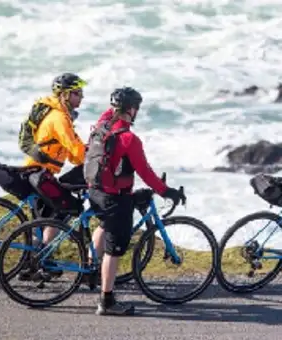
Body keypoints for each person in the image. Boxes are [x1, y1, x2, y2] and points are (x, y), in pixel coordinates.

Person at [81, 87, 187, 316]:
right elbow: (146, 173)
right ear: (131, 109)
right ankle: (106, 302)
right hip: (114, 198)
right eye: (136, 108)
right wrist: (167, 191)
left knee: (103, 224)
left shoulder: (102, 125)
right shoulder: (129, 139)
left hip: (95, 190)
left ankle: (89, 267)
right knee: (114, 251)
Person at [17, 73, 91, 220]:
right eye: (77, 93)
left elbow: (73, 154)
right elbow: (75, 149)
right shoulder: (59, 119)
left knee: (47, 216)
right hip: (39, 174)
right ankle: (42, 242)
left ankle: (40, 241)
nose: (81, 97)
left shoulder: (59, 114)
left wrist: (86, 152)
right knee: (67, 209)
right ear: (64, 95)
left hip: (40, 172)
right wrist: (94, 160)